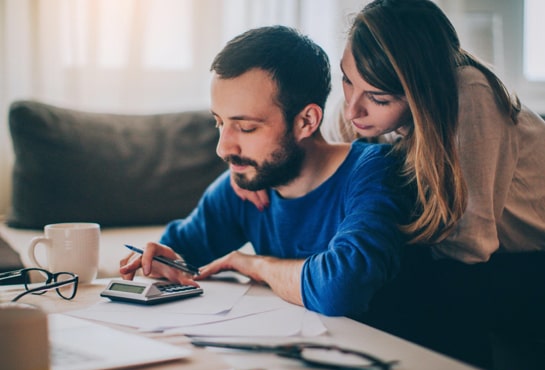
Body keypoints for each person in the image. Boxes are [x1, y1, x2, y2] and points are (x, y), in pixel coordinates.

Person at [234, 0, 545, 370]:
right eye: (348, 80)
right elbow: (314, 153)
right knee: (358, 267)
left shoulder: (470, 94)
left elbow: (471, 244)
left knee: (386, 278)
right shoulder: (360, 105)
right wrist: (252, 165)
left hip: (526, 259)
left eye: (379, 99)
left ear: (422, 92)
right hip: (467, 257)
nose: (352, 110)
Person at [119, 25, 411, 322]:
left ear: (306, 121)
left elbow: (341, 289)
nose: (223, 148)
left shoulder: (375, 171)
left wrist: (254, 265)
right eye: (219, 122)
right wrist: (158, 259)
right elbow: (179, 252)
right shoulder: (247, 183)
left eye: (246, 128)